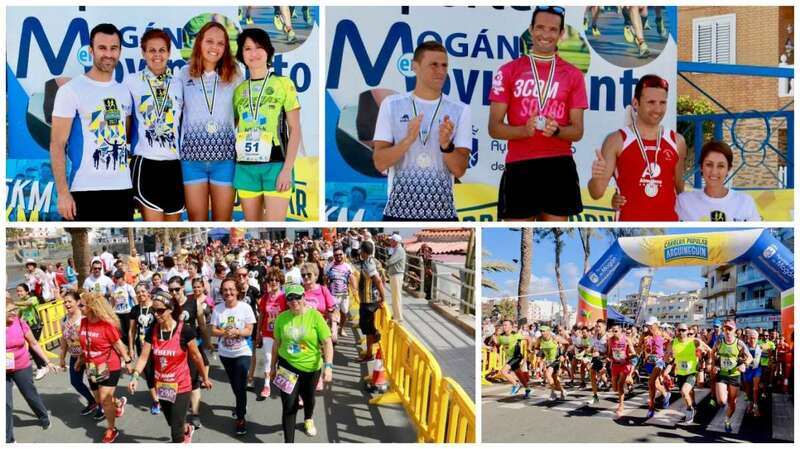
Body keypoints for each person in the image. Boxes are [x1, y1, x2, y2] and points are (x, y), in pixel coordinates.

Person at [488, 6, 587, 221]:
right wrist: (523, 130)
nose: (545, 34)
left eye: (553, 29)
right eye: (540, 27)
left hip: (559, 166)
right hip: (520, 166)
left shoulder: (574, 75)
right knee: (519, 235)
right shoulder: (508, 71)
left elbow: (577, 131)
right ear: (531, 30)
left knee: (556, 235)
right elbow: (494, 127)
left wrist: (558, 130)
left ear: (561, 34)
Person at [373, 40, 472, 221]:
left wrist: (446, 146)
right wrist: (407, 140)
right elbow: (379, 163)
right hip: (398, 212)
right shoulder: (391, 105)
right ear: (415, 67)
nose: (441, 71)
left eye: (444, 65)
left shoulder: (460, 110)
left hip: (444, 214)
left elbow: (459, 170)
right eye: (433, 65)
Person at [50, 23, 134, 221]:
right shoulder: (71, 90)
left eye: (113, 48)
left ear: (120, 52)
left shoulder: (124, 91)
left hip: (122, 190)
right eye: (102, 48)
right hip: (84, 189)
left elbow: (126, 136)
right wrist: (63, 193)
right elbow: (57, 144)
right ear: (91, 50)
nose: (108, 54)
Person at [588, 74, 687, 221]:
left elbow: (679, 189)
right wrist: (596, 177)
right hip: (629, 229)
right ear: (635, 103)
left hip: (666, 229)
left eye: (662, 103)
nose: (657, 109)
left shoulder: (677, 141)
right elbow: (596, 193)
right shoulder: (616, 140)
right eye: (651, 102)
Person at [233, 28, 302, 221]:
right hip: (245, 167)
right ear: (241, 54)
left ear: (268, 51)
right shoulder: (238, 90)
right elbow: (233, 127)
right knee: (253, 227)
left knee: (274, 224)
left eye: (258, 47)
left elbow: (295, 130)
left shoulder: (283, 84)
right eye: (247, 48)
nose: (253, 53)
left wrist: (287, 170)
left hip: (276, 166)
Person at [128, 291, 212, 443]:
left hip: (181, 385)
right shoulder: (152, 330)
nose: (156, 314)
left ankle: (181, 434)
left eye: (160, 310)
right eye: (154, 310)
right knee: (172, 421)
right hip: (163, 386)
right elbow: (144, 357)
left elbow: (196, 356)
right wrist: (135, 376)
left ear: (171, 309)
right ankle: (186, 428)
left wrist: (204, 378)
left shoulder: (185, 330)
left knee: (175, 433)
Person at [178, 21, 242, 221]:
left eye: (220, 43)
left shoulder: (235, 74)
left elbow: (239, 114)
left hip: (224, 159)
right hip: (191, 160)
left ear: (226, 47)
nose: (214, 47)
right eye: (210, 41)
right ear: (199, 43)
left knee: (222, 220)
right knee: (196, 221)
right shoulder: (183, 73)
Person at [125, 28, 185, 221]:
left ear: (169, 53)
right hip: (146, 164)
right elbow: (124, 120)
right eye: (152, 50)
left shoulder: (178, 83)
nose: (157, 55)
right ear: (143, 53)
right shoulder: (131, 82)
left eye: (162, 50)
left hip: (175, 165)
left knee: (173, 225)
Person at [271, 284, 334, 442]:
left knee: (309, 398)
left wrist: (329, 367)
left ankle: (308, 418)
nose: (294, 301)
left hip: (310, 368)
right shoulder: (281, 318)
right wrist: (272, 367)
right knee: (289, 406)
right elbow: (276, 344)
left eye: (297, 297)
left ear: (304, 297)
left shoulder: (315, 316)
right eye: (290, 298)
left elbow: (327, 342)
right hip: (287, 366)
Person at [77, 291, 134, 443]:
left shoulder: (106, 325)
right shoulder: (83, 322)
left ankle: (111, 429)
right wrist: (80, 360)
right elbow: (85, 344)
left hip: (109, 365)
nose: (78, 306)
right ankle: (119, 403)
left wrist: (127, 361)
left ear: (90, 307)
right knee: (100, 398)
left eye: (81, 305)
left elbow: (118, 344)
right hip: (92, 366)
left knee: (104, 399)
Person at [210, 277, 256, 436]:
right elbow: (213, 330)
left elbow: (249, 330)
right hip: (225, 353)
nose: (228, 292)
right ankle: (240, 404)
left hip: (243, 352)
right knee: (235, 384)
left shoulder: (245, 308)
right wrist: (224, 332)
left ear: (237, 291)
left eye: (231, 289)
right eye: (225, 290)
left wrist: (237, 332)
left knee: (240, 385)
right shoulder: (218, 309)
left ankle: (241, 417)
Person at [6, 299, 56, 443]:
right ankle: (8, 439)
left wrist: (47, 362)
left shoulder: (20, 323)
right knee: (5, 404)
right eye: (11, 311)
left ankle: (43, 417)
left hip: (22, 366)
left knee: (30, 395)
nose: (15, 313)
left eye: (15, 310)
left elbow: (34, 343)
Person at [676, 141, 761, 221]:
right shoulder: (684, 201)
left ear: (729, 169)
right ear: (701, 167)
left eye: (721, 166)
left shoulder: (745, 202)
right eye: (709, 164)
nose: (714, 172)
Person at [168, 276, 211, 430]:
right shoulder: (169, 305)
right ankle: (179, 408)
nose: (174, 293)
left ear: (182, 288)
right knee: (175, 380)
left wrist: (208, 343)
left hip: (191, 347)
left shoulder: (194, 303)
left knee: (194, 382)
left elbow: (202, 325)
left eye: (177, 289)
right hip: (173, 350)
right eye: (171, 290)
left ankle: (195, 414)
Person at [58, 291, 103, 419]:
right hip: (74, 356)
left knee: (96, 383)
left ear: (78, 302)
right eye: (65, 302)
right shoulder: (64, 320)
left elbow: (93, 339)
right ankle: (93, 402)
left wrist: (82, 357)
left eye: (69, 301)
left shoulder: (84, 318)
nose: (66, 304)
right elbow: (64, 340)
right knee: (75, 382)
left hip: (89, 358)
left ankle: (105, 406)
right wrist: (62, 358)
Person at [665, 323, 712, 424]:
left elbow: (710, 350)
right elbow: (667, 357)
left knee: (684, 391)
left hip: (691, 372)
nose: (681, 332)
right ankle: (693, 404)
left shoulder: (694, 341)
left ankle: (690, 409)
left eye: (684, 330)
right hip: (680, 373)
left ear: (687, 331)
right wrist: (668, 358)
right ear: (676, 331)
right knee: (687, 392)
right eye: (679, 330)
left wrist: (708, 362)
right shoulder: (673, 342)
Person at [712, 320, 753, 432]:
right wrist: (714, 364)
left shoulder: (739, 343)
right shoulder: (720, 342)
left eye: (730, 329)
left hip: (734, 376)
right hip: (722, 374)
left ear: (735, 330)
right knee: (721, 401)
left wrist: (745, 364)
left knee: (732, 403)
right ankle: (723, 393)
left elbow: (749, 357)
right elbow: (713, 352)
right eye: (726, 329)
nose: (728, 331)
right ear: (723, 330)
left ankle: (727, 419)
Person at [127, 283, 159, 415]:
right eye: (138, 292)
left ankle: (165, 392)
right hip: (142, 346)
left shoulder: (156, 307)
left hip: (158, 346)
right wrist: (131, 348)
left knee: (160, 371)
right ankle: (156, 400)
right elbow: (131, 330)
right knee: (149, 373)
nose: (141, 294)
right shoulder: (135, 310)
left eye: (143, 291)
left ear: (148, 292)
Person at [256, 268, 287, 400]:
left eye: (276, 280)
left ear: (280, 282)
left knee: (284, 359)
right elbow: (262, 315)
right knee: (269, 358)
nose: (273, 282)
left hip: (283, 333)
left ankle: (284, 385)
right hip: (268, 333)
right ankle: (267, 385)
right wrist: (258, 333)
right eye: (271, 280)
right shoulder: (265, 297)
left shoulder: (284, 297)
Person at [355, 241, 387, 361]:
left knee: (367, 329)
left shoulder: (369, 263)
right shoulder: (374, 261)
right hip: (368, 300)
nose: (359, 252)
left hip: (369, 301)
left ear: (363, 251)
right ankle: (369, 351)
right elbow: (383, 276)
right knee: (365, 326)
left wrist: (383, 297)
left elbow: (378, 280)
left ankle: (375, 337)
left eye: (360, 250)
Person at [14, 284, 48, 380]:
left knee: (32, 347)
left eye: (21, 291)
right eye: (17, 291)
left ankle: (41, 367)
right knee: (32, 347)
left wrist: (11, 302)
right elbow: (19, 314)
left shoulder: (33, 299)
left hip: (36, 326)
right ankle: (43, 365)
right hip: (28, 327)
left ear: (27, 291)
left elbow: (27, 304)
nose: (18, 293)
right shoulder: (21, 302)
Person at [641, 317, 670, 418]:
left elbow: (671, 341)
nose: (649, 327)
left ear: (656, 324)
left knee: (651, 382)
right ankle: (666, 395)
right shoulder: (645, 335)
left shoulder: (662, 333)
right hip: (649, 362)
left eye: (651, 325)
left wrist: (667, 352)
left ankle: (651, 407)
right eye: (648, 325)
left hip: (659, 361)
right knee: (656, 384)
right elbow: (639, 347)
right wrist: (643, 347)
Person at [324, 247, 356, 339]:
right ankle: (333, 331)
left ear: (344, 255)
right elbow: (325, 278)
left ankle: (341, 328)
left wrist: (354, 289)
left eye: (340, 254)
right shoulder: (329, 266)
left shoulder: (347, 266)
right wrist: (325, 290)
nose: (338, 256)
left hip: (345, 295)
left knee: (344, 313)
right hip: (333, 295)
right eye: (336, 255)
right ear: (334, 256)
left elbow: (352, 277)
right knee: (333, 314)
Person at [494, 319, 531, 398]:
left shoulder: (516, 335)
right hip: (510, 358)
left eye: (506, 325)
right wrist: (494, 345)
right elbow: (498, 345)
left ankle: (516, 384)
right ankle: (527, 389)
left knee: (503, 371)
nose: (504, 327)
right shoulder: (501, 336)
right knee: (520, 375)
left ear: (511, 326)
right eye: (503, 325)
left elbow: (528, 338)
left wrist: (529, 348)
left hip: (517, 356)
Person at [607, 324, 636, 417]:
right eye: (612, 331)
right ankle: (630, 381)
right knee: (615, 388)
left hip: (625, 365)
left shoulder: (627, 339)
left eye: (615, 331)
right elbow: (609, 354)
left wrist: (627, 356)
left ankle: (621, 405)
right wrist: (610, 357)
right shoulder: (610, 340)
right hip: (615, 365)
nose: (614, 333)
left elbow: (633, 353)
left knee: (620, 385)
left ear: (620, 331)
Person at [111, 270, 138, 349]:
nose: (117, 279)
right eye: (115, 278)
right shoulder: (113, 287)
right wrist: (111, 310)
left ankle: (131, 348)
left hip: (128, 312)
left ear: (123, 278)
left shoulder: (128, 287)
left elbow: (134, 300)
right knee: (121, 333)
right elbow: (112, 301)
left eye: (118, 278)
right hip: (118, 313)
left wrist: (137, 311)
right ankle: (126, 348)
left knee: (130, 332)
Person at [742, 329, 763, 417]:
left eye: (754, 338)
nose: (752, 340)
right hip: (747, 370)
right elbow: (740, 357)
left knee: (755, 388)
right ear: (748, 338)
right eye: (751, 338)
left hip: (756, 369)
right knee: (747, 389)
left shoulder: (760, 347)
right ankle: (750, 404)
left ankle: (755, 406)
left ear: (757, 338)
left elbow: (762, 360)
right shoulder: (744, 347)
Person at [385, 234, 406, 323]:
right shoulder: (396, 249)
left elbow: (391, 261)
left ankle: (398, 316)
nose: (390, 242)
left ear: (395, 241)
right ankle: (396, 314)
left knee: (396, 296)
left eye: (391, 240)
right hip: (395, 275)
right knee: (395, 296)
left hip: (397, 275)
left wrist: (386, 263)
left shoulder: (399, 250)